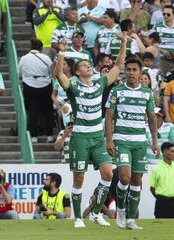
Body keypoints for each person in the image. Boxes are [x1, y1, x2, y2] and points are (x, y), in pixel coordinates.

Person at [55, 31, 127, 228]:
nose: (90, 67)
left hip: (97, 137)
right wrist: (61, 54)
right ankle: (78, 218)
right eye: (86, 66)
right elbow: (58, 74)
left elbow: (118, 67)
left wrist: (124, 43)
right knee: (79, 178)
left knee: (108, 175)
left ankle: (95, 213)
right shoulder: (74, 86)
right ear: (78, 72)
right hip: (79, 137)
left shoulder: (99, 83)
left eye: (89, 65)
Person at [105, 57, 160, 230]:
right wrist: (109, 140)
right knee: (125, 177)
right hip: (122, 140)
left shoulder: (147, 93)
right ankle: (121, 210)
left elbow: (152, 118)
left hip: (140, 142)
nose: (130, 73)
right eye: (128, 70)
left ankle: (131, 219)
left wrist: (154, 142)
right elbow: (109, 117)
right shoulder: (117, 91)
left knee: (137, 180)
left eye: (134, 70)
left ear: (140, 71)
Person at [18, 38, 54, 143]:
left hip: (29, 85)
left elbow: (19, 73)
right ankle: (49, 135)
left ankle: (34, 136)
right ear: (41, 48)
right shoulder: (46, 57)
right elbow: (51, 72)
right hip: (46, 85)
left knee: (33, 112)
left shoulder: (24, 58)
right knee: (48, 111)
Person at [149, 142, 174, 218]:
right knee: (161, 226)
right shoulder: (156, 168)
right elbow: (152, 188)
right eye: (172, 151)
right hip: (161, 202)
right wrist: (161, 198)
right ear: (164, 152)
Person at [153, 5, 174, 76]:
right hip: (160, 57)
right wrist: (163, 51)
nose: (165, 16)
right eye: (164, 14)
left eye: (168, 14)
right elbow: (152, 43)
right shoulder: (157, 26)